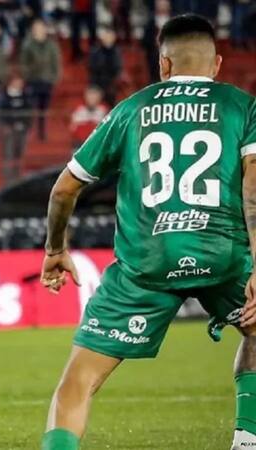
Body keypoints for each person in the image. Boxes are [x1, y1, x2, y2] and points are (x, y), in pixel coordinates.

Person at [39, 14, 256, 450]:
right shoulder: (241, 106)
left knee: (78, 381)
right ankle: (246, 439)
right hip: (223, 251)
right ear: (216, 64)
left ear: (164, 65)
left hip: (147, 261)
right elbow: (253, 187)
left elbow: (64, 188)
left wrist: (54, 249)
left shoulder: (131, 109)